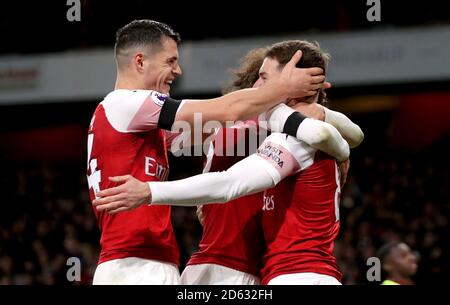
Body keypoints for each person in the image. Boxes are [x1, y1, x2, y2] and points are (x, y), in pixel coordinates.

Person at [92, 40, 364, 284]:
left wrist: (334, 137)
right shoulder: (256, 124)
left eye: (264, 78)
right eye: (258, 78)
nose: (257, 86)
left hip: (250, 272)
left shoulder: (261, 129)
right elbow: (340, 133)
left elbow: (228, 181)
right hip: (227, 271)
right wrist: (340, 146)